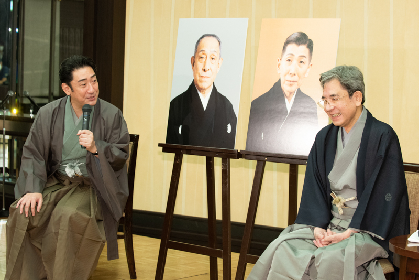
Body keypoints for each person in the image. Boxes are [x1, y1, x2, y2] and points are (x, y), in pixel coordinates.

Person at [248, 66, 410, 279]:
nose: (328, 107)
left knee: (331, 259)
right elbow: (313, 189)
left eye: (334, 99)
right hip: (328, 224)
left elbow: (386, 195)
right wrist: (317, 228)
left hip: (363, 230)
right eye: (325, 100)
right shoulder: (324, 137)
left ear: (357, 97)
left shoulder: (382, 136)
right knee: (285, 249)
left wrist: (350, 232)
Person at [5, 55, 130, 280]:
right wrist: (33, 188)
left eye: (94, 81)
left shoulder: (111, 115)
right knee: (23, 213)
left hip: (94, 186)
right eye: (83, 84)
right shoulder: (48, 114)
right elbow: (33, 152)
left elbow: (120, 155)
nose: (92, 89)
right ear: (66, 88)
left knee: (67, 217)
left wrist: (96, 147)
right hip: (58, 183)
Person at [246, 32, 318, 156]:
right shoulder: (258, 105)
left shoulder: (310, 105)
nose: (292, 71)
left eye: (301, 62)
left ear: (308, 69)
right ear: (279, 65)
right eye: (289, 60)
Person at [166, 34, 237, 149]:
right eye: (202, 57)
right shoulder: (176, 106)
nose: (206, 67)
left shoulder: (227, 108)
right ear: (192, 62)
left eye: (213, 58)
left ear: (219, 65)